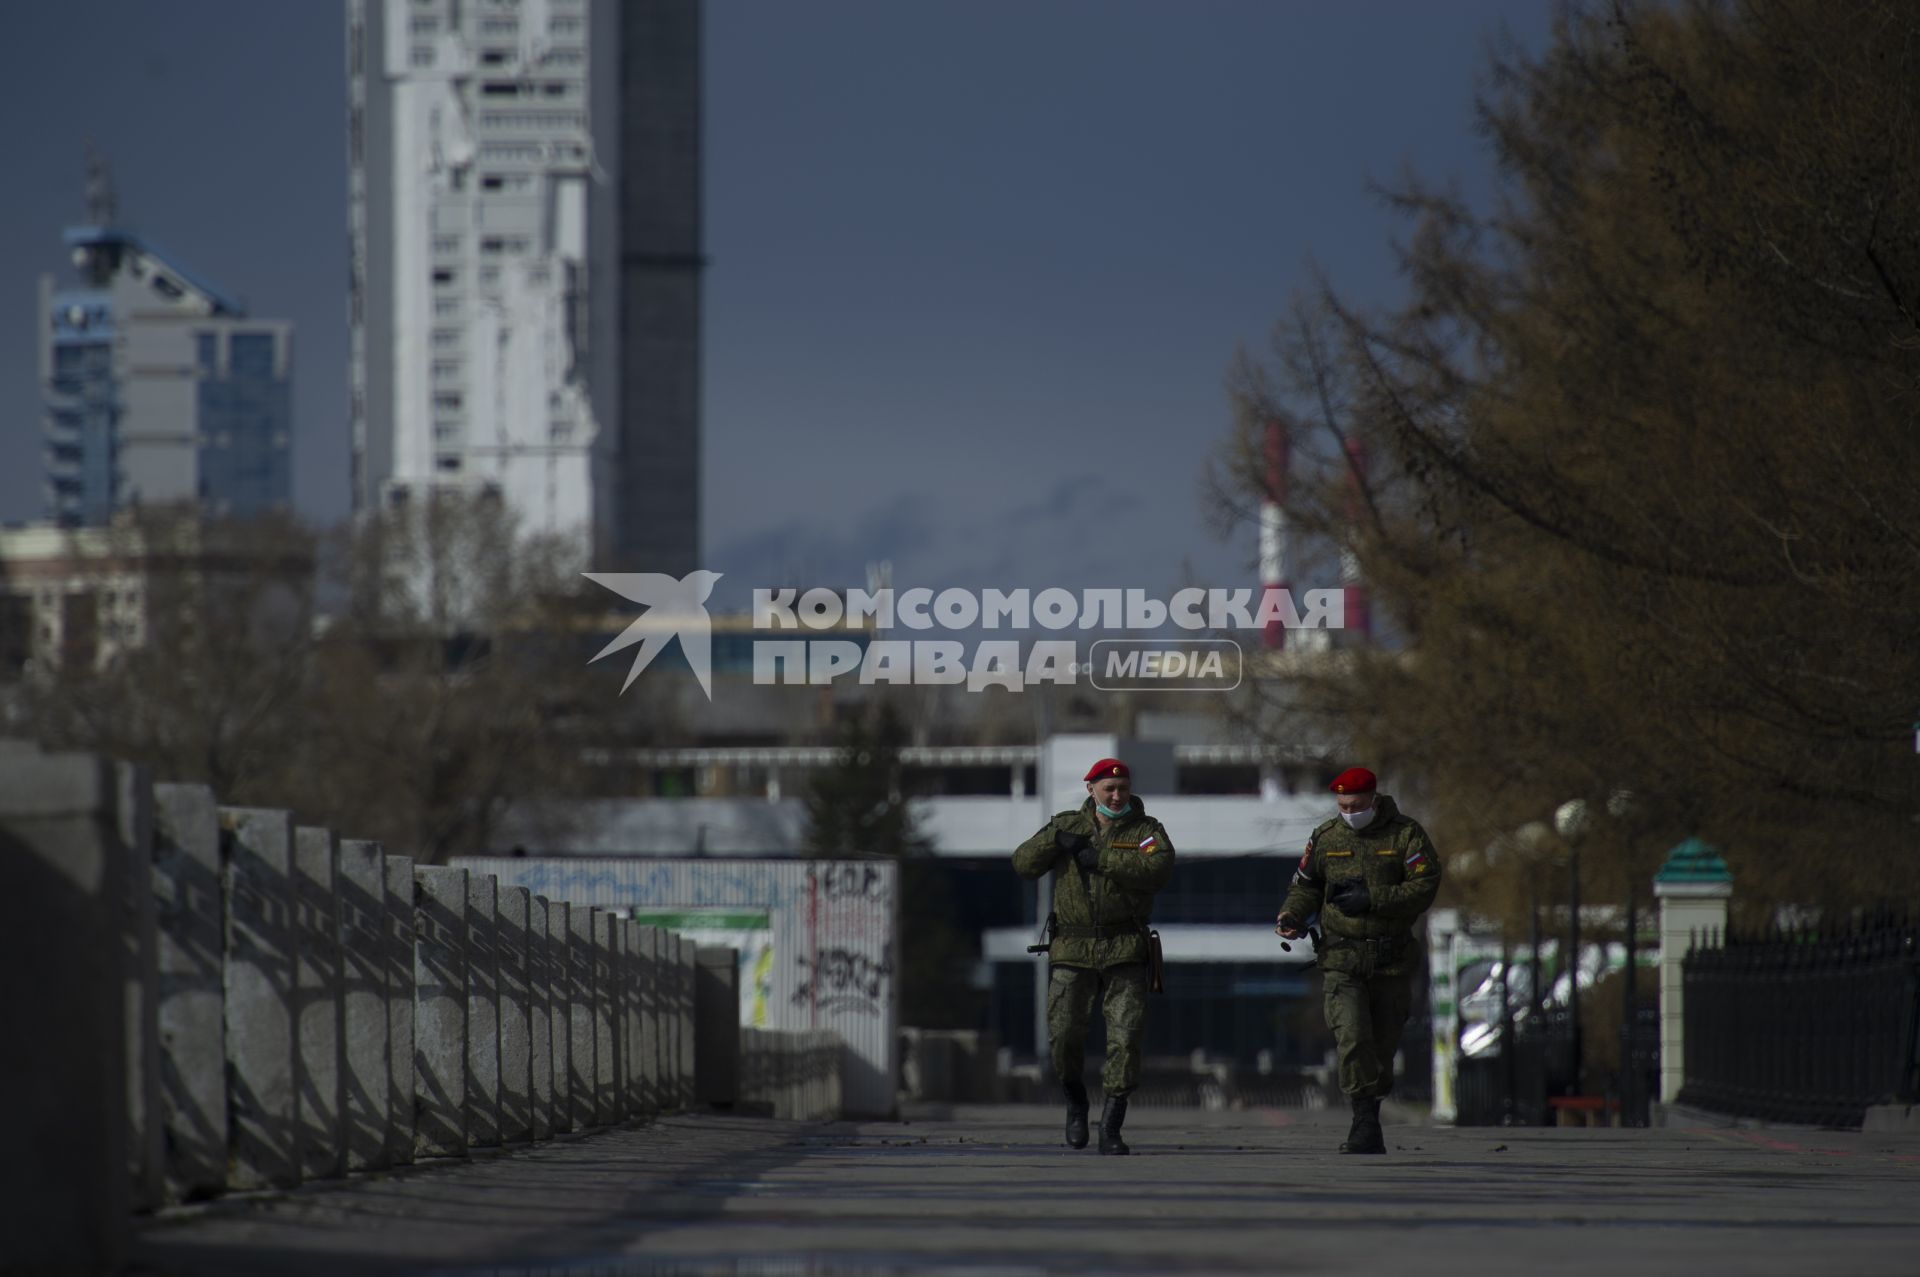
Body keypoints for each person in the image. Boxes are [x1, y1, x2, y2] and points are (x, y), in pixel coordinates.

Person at [1275, 767, 1442, 1154]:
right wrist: (1291, 916)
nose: (1349, 811)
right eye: (1342, 805)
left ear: (1373, 798)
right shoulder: (1327, 837)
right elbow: (1305, 885)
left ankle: (1371, 1109)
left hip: (1391, 959)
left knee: (1382, 1045)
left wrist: (1374, 897)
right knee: (1351, 1035)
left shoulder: (1405, 835)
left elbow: (1425, 885)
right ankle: (1363, 1120)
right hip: (1341, 958)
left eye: (1356, 804)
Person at [1013, 757, 1175, 1154]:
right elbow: (1022, 863)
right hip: (1073, 948)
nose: (1117, 796)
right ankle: (1075, 1102)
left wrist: (1102, 859)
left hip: (1124, 947)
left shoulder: (1146, 830)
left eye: (1123, 788)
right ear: (1092, 790)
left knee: (1125, 1037)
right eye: (1109, 789)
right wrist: (1054, 841)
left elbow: (1158, 868)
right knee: (1064, 1034)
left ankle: (1112, 1124)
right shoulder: (1067, 824)